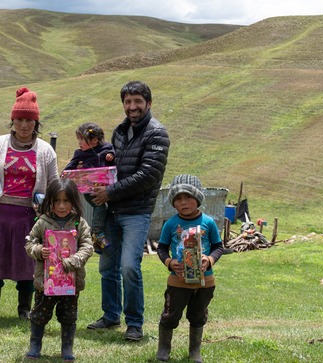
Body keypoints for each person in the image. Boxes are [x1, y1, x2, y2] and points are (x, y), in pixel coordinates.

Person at [87, 80, 170, 341]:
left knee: (129, 267)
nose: (132, 107)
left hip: (136, 212)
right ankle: (111, 316)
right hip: (111, 211)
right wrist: (92, 183)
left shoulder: (158, 133)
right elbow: (111, 170)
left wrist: (109, 192)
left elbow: (148, 175)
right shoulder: (119, 132)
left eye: (137, 102)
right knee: (107, 266)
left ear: (148, 103)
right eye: (128, 102)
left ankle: (134, 323)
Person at [0, 86, 59, 320]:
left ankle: (25, 309)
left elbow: (54, 184)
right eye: (19, 119)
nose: (24, 125)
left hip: (29, 216)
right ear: (12, 120)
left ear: (36, 122)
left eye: (29, 120)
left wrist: (51, 209)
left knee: (27, 264)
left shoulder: (46, 151)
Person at [23, 178, 94, 361]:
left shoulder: (79, 223)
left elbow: (88, 247)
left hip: (71, 283)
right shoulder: (42, 222)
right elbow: (29, 243)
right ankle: (35, 345)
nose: (61, 206)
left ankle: (67, 348)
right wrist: (39, 251)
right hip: (46, 282)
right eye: (57, 201)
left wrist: (74, 260)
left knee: (69, 316)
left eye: (66, 201)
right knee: (39, 314)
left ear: (74, 201)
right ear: (50, 202)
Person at [156, 174, 223, 363]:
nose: (183, 202)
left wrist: (209, 260)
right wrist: (169, 262)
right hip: (178, 281)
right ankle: (163, 349)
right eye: (178, 199)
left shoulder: (208, 223)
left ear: (198, 198)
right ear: (173, 203)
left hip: (205, 281)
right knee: (170, 315)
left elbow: (219, 247)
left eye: (188, 197)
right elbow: (161, 248)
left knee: (198, 315)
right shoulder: (170, 224)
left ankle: (195, 351)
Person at [63, 122, 115, 254]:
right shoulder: (79, 154)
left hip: (105, 189)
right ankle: (97, 234)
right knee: (101, 207)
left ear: (94, 140)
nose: (79, 142)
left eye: (82, 139)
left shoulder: (106, 148)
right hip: (88, 190)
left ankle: (97, 244)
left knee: (107, 210)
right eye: (78, 139)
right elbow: (70, 166)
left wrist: (111, 156)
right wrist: (65, 173)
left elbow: (112, 154)